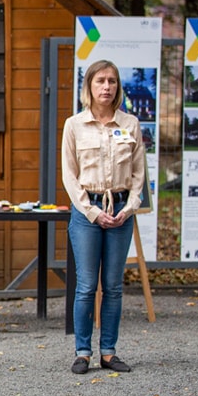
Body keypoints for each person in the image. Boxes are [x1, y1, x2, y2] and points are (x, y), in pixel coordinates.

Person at [62, 59, 145, 375]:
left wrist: (129, 207)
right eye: (100, 81)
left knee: (113, 286)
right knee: (86, 286)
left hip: (121, 213)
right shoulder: (74, 125)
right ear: (89, 87)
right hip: (87, 213)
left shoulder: (130, 124)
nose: (106, 87)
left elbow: (138, 174)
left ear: (118, 86)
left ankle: (108, 352)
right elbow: (70, 176)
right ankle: (82, 351)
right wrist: (93, 212)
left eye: (112, 81)